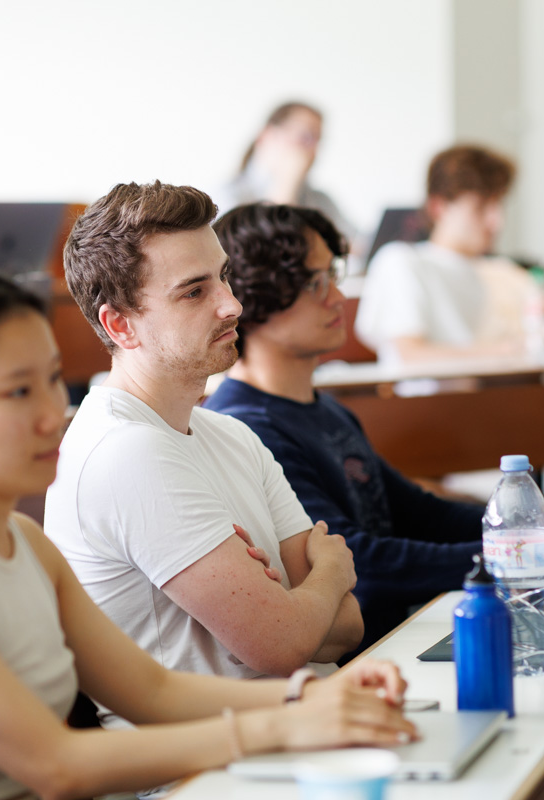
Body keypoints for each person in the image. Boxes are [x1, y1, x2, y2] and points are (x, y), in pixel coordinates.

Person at [0, 268, 415, 798]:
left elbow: (152, 690)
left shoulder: (21, 541)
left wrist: (308, 697)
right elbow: (52, 765)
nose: (49, 414)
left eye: (50, 380)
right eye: (16, 392)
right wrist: (286, 725)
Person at [204, 203, 544, 650]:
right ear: (256, 294)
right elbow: (364, 562)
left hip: (402, 636)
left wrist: (527, 522)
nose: (338, 298)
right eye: (315, 283)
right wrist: (535, 552)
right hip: (364, 659)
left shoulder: (324, 408)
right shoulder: (247, 426)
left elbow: (418, 513)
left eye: (333, 277)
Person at [47, 182, 364, 720]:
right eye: (194, 292)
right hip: (203, 769)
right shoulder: (126, 451)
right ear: (119, 325)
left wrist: (299, 609)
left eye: (224, 276)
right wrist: (330, 574)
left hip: (302, 731)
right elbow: (283, 646)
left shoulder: (231, 434)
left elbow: (349, 627)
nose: (232, 304)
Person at [355, 144, 544, 365]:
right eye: (481, 207)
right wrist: (508, 352)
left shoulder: (506, 272)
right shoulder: (402, 263)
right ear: (439, 207)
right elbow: (409, 353)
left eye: (499, 205)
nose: (497, 222)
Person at [215, 101, 358, 246]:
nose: (313, 151)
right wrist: (287, 181)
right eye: (306, 138)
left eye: (317, 141)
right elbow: (263, 251)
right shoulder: (228, 197)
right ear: (267, 135)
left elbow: (358, 245)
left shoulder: (320, 200)